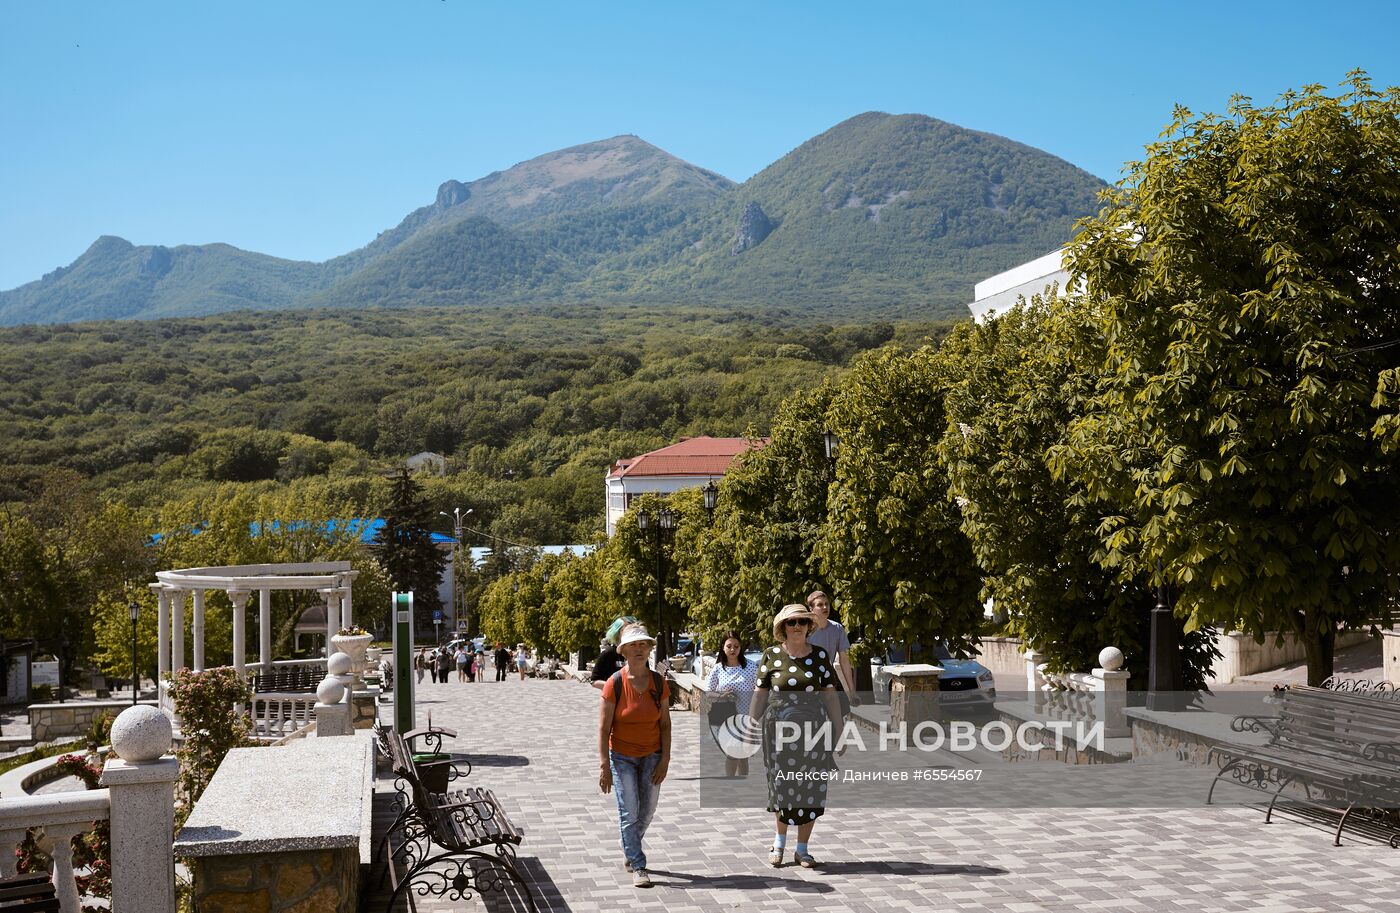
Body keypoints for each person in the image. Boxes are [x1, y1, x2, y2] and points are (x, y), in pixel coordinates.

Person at [751, 603, 841, 869]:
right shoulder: (771, 656)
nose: (797, 627)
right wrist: (750, 726)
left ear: (809, 626)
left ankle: (802, 849)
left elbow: (830, 697)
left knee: (811, 788)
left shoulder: (820, 657)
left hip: (814, 731)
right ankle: (779, 842)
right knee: (782, 785)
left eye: (802, 622)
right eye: (792, 623)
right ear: (783, 628)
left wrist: (839, 730)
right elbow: (760, 694)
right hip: (778, 731)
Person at [598, 625, 670, 888]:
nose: (638, 649)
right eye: (633, 645)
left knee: (647, 811)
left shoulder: (659, 683)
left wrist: (665, 759)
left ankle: (629, 845)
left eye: (643, 645)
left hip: (652, 755)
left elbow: (665, 724)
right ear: (624, 651)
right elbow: (604, 728)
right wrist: (604, 765)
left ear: (650, 648)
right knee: (629, 812)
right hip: (622, 758)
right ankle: (638, 865)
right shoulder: (614, 684)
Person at [705, 631, 757, 777]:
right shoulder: (718, 669)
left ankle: (742, 783)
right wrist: (722, 695)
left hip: (745, 718)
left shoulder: (751, 667)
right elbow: (708, 693)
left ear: (741, 648)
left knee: (743, 756)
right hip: (726, 718)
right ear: (723, 647)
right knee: (733, 753)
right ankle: (731, 782)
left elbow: (760, 692)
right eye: (729, 646)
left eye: (736, 646)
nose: (733, 649)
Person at [806, 590, 860, 715]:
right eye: (820, 605)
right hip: (807, 676)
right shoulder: (805, 629)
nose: (825, 607)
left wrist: (852, 690)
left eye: (827, 604)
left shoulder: (837, 628)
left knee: (841, 713)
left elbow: (844, 661)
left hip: (828, 675)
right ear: (811, 609)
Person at [591, 615, 638, 690]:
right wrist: (614, 687)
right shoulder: (608, 654)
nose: (628, 633)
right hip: (614, 699)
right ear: (617, 633)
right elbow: (594, 681)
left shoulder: (639, 654)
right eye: (625, 630)